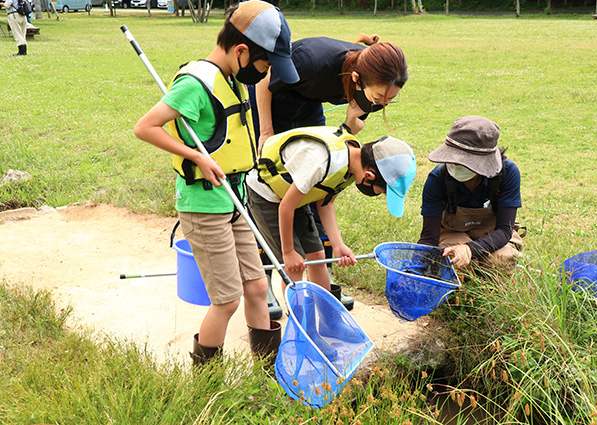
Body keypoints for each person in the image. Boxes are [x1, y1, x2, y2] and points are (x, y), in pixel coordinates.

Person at [133, 0, 299, 366]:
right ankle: (207, 385)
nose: (265, 72)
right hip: (204, 206)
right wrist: (196, 156)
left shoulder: (231, 77)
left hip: (234, 199)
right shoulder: (196, 84)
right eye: (264, 64)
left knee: (257, 287)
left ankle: (267, 375)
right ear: (242, 51)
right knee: (226, 300)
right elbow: (145, 127)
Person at [250, 35, 408, 308]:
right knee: (276, 192)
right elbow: (264, 81)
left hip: (308, 105)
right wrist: (266, 131)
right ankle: (265, 278)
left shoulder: (348, 160)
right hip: (272, 104)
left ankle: (322, 293)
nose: (382, 104)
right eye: (379, 97)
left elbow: (327, 197)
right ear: (357, 77)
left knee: (311, 192)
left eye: (389, 99)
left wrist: (338, 243)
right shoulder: (311, 62)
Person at [247, 125, 416, 298]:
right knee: (293, 267)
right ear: (369, 176)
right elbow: (286, 207)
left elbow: (326, 202)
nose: (376, 195)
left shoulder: (354, 165)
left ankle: (325, 314)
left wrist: (338, 244)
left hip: (295, 195)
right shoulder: (320, 161)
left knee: (317, 255)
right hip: (266, 194)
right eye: (379, 192)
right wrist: (288, 252)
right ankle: (300, 319)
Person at [418, 115, 524, 275]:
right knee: (452, 259)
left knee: (501, 259)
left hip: (493, 232)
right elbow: (430, 237)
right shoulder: (437, 178)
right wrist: (419, 266)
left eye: (463, 163)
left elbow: (504, 230)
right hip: (453, 234)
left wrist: (470, 249)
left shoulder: (508, 173)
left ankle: (490, 293)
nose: (454, 166)